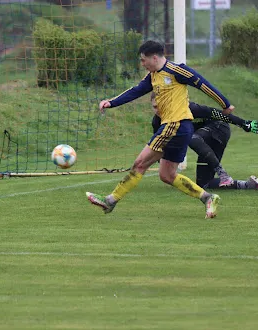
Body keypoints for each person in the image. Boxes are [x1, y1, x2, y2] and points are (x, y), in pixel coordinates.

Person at [86, 40, 235, 219]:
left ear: (154, 57)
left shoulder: (177, 70)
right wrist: (111, 102)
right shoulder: (153, 75)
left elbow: (202, 84)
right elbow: (135, 90)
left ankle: (110, 200)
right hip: (178, 128)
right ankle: (208, 198)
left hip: (175, 125)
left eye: (143, 60)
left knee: (139, 164)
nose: (142, 64)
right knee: (167, 175)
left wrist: (225, 104)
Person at [151, 95, 258, 191]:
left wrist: (244, 124)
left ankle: (222, 173)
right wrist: (154, 160)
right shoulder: (157, 122)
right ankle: (249, 185)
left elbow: (218, 113)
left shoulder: (188, 108)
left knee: (192, 138)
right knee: (203, 184)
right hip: (203, 138)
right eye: (155, 107)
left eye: (161, 105)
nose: (158, 110)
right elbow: (160, 144)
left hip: (219, 127)